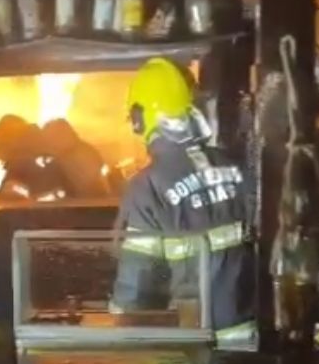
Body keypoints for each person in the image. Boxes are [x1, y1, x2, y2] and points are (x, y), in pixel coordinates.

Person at [110, 58, 256, 347]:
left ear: (140, 119)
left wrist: (118, 334)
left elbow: (136, 288)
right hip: (252, 343)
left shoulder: (147, 188)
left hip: (193, 347)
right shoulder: (239, 169)